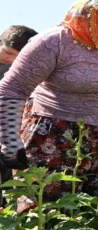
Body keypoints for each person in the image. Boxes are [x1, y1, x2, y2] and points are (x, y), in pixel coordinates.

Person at [0, 0, 98, 211]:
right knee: (47, 204)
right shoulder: (52, 42)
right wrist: (9, 139)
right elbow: (12, 89)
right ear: (97, 16)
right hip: (57, 134)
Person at [0, 25, 38, 208]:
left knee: (10, 181)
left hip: (12, 133)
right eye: (7, 52)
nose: (11, 59)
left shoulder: (27, 70)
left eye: (18, 56)